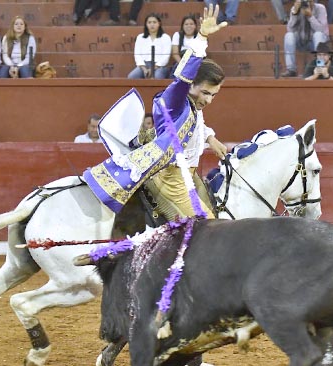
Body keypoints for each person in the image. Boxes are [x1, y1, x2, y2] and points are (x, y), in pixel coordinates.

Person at [84, 5, 229, 220]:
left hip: (188, 177)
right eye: (205, 93)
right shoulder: (174, 101)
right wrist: (202, 37)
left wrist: (211, 137)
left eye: (214, 95)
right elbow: (182, 77)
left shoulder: (191, 105)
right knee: (210, 230)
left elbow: (196, 124)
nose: (208, 100)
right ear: (190, 85)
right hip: (172, 183)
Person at [281, 0, 329, 77]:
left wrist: (310, 16)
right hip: (301, 41)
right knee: (288, 35)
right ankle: (291, 69)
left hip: (315, 43)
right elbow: (290, 29)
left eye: (309, 1)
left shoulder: (320, 8)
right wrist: (294, 14)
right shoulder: (295, 8)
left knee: (318, 34)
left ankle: (320, 67)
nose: (307, 3)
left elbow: (322, 30)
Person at [128, 14, 172, 79]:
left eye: (154, 22)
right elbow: (137, 55)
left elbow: (166, 57)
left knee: (157, 77)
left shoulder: (165, 37)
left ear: (159, 23)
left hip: (159, 66)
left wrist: (152, 69)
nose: (152, 25)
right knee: (132, 77)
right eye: (149, 22)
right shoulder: (140, 37)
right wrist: (144, 69)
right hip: (144, 65)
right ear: (146, 24)